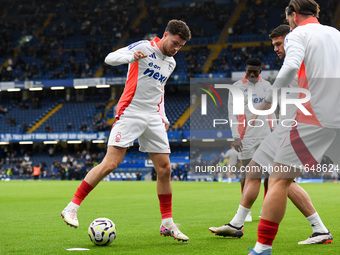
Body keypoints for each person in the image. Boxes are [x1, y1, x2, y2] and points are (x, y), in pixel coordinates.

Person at [61, 19, 191, 242]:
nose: (176, 48)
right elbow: (109, 58)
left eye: (180, 46)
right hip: (130, 111)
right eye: (175, 43)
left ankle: (167, 223)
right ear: (166, 35)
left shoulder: (171, 63)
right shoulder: (143, 47)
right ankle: (72, 207)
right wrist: (131, 57)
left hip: (153, 116)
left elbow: (159, 90)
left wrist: (163, 116)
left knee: (165, 168)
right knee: (111, 163)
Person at [210, 24, 332, 247]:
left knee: (281, 181)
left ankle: (315, 230)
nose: (276, 48)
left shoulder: (298, 60)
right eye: (273, 44)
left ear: (291, 39)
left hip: (300, 128)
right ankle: (238, 223)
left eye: (279, 43)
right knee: (255, 171)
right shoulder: (294, 62)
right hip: (284, 129)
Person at [249, 1, 340, 254]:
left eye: (288, 18)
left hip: (314, 115)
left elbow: (290, 67)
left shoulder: (298, 34)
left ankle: (261, 248)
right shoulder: (335, 33)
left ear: (293, 15)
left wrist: (268, 100)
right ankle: (319, 229)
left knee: (278, 179)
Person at [228, 58, 275, 221]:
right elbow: (231, 113)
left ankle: (266, 207)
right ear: (245, 70)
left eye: (255, 71)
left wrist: (274, 131)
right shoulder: (236, 87)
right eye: (249, 71)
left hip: (266, 135)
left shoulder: (267, 86)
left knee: (270, 174)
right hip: (246, 136)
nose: (252, 74)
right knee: (247, 174)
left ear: (260, 71)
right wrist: (235, 136)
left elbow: (271, 110)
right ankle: (245, 210)